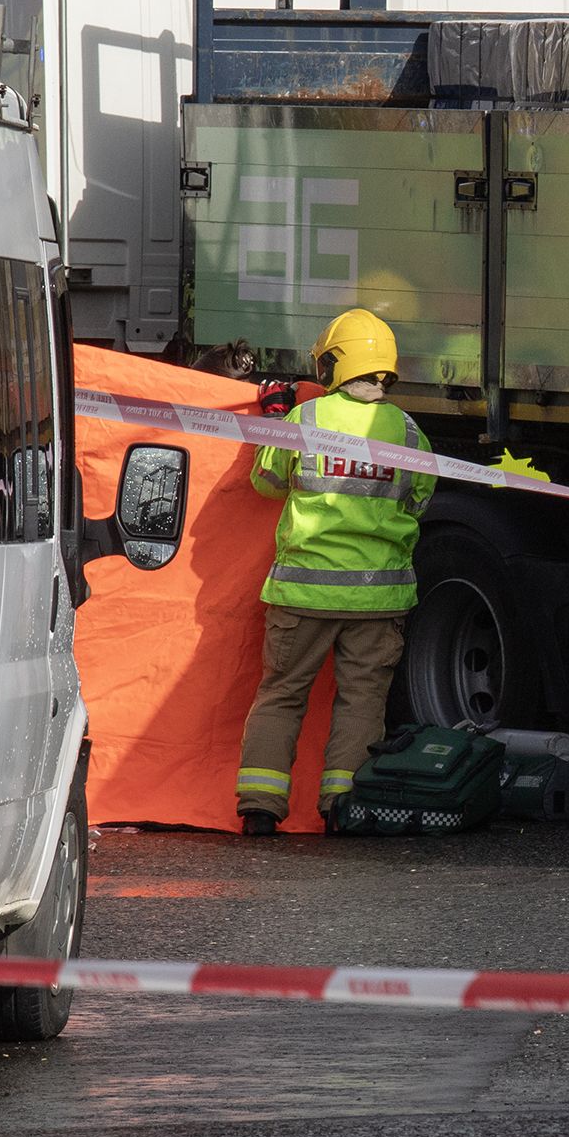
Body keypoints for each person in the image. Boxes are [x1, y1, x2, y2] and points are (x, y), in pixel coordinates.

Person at [236, 308, 436, 835]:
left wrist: (274, 421)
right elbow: (418, 502)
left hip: (303, 594)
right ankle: (342, 810)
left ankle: (260, 808)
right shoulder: (409, 433)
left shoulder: (307, 420)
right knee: (362, 702)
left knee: (282, 694)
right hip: (378, 599)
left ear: (332, 365)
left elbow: (266, 482)